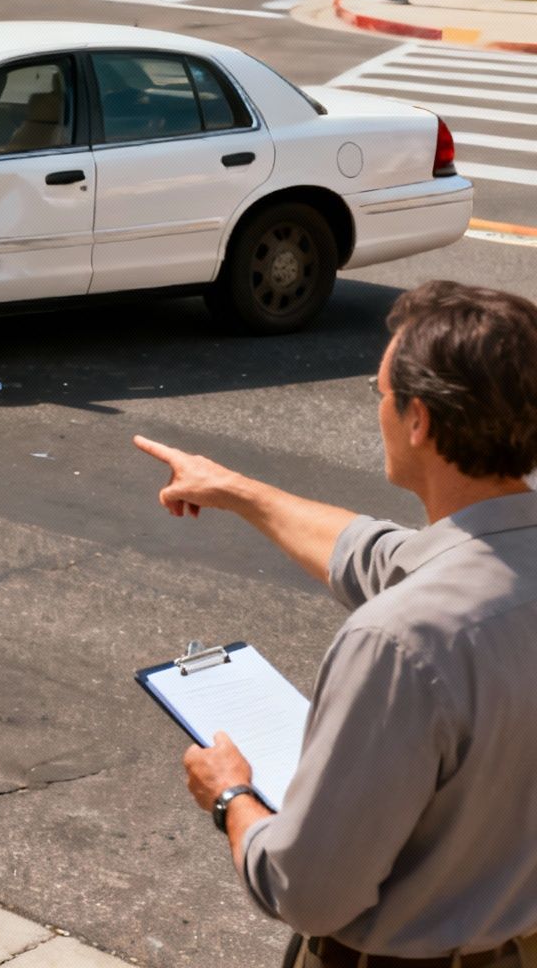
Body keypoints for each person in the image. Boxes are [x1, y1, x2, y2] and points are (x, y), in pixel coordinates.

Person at [135, 279, 537, 968]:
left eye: (379, 394)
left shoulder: (399, 641)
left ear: (419, 422)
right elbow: (375, 554)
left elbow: (311, 892)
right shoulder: (485, 573)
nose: (375, 409)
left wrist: (229, 794)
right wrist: (234, 489)